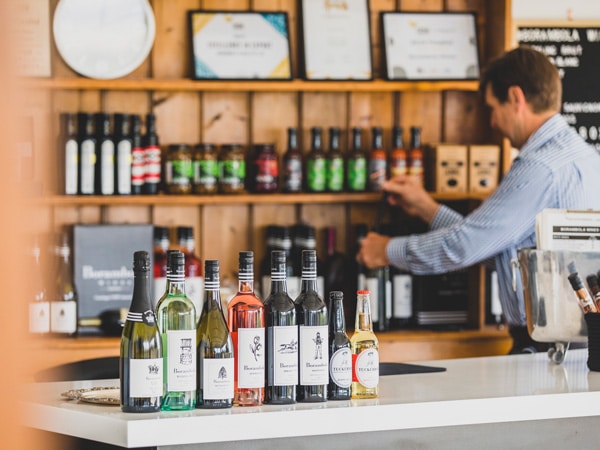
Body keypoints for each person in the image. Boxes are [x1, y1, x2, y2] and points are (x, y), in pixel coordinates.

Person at [357, 46, 600, 354]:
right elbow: (494, 245)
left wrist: (387, 250)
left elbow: (463, 247)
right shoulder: (584, 155)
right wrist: (426, 208)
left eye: (492, 108)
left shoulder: (539, 167)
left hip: (552, 351)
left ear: (515, 98)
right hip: (582, 346)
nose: (493, 122)